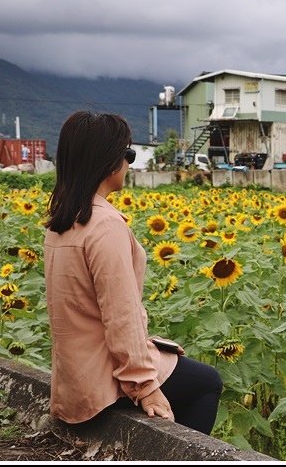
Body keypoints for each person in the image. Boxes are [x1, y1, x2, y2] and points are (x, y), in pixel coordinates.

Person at [44, 111, 222, 435]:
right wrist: (145, 386)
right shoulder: (105, 226)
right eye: (128, 153)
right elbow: (120, 316)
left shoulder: (61, 222)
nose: (129, 162)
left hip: (72, 382)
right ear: (108, 161)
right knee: (207, 382)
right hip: (102, 383)